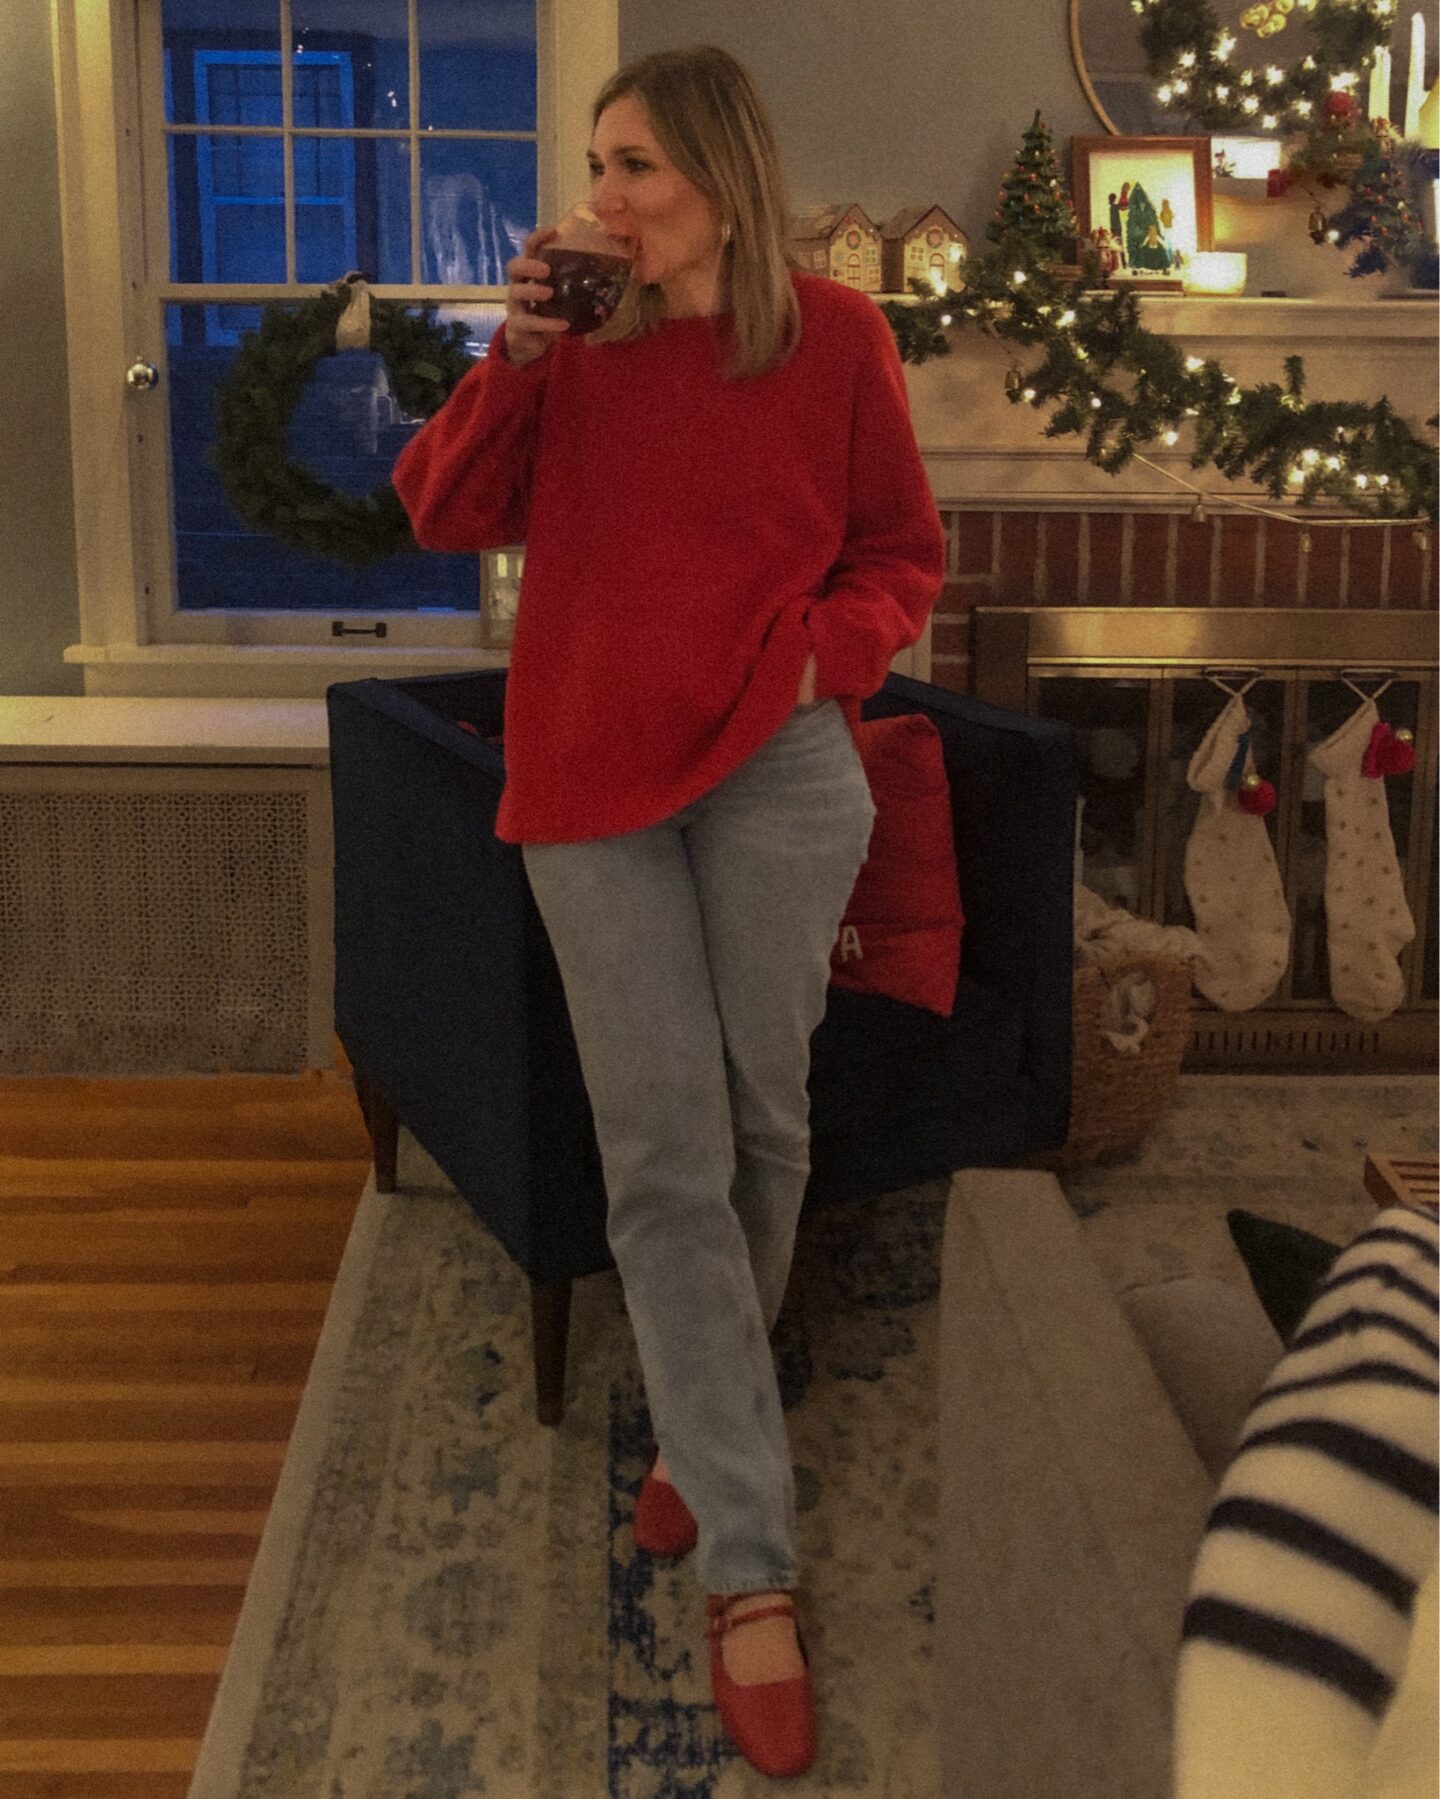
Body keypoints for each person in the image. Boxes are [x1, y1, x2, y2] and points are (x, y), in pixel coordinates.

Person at [391, 43, 944, 1779]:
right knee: (662, 1150)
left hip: (781, 773)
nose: (603, 197)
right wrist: (518, 356)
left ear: (720, 175)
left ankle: (700, 1442)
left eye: (636, 165)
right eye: (597, 165)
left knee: (764, 1118)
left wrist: (814, 664)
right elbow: (438, 511)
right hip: (589, 787)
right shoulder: (570, 348)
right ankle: (754, 1570)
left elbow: (900, 558)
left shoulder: (836, 342)